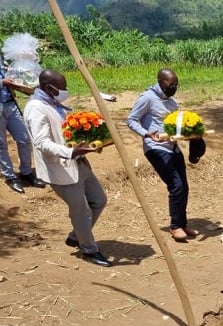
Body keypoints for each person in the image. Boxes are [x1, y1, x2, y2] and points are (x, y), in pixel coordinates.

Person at [23, 70, 111, 267]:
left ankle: (75, 236)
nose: (65, 91)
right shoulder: (36, 108)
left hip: (78, 164)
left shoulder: (54, 104)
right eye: (62, 88)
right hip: (61, 169)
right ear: (49, 88)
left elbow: (66, 132)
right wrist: (70, 152)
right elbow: (41, 143)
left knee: (99, 200)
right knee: (82, 212)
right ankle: (89, 249)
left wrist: (89, 144)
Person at [126, 68, 199, 242]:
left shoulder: (172, 102)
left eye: (176, 84)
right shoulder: (147, 98)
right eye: (171, 84)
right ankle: (175, 227)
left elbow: (176, 125)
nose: (174, 87)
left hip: (172, 147)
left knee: (184, 187)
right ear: (161, 82)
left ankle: (182, 223)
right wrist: (146, 133)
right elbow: (130, 120)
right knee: (176, 186)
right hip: (155, 148)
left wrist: (192, 132)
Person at [0, 52, 44, 193]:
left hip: (10, 104)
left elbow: (10, 70)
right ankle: (10, 176)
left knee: (24, 138)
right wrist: (2, 83)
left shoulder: (1, 55)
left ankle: (26, 172)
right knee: (1, 145)